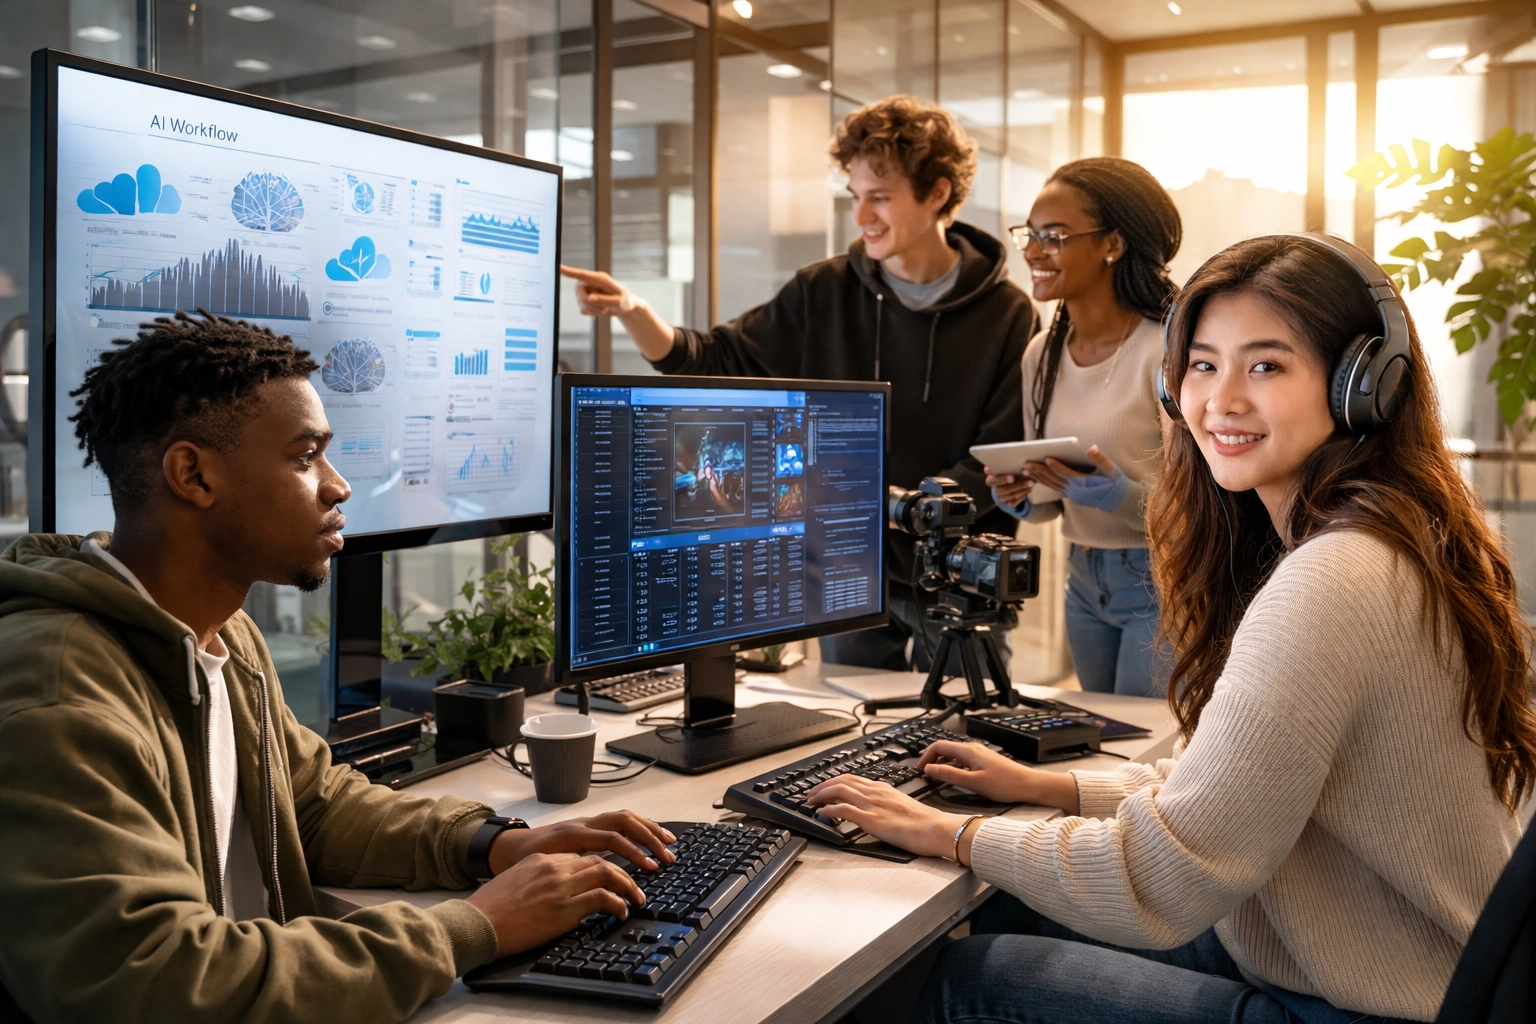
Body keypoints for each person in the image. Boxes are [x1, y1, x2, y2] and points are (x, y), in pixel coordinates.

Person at [800, 236, 1536, 1023]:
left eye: (1267, 365)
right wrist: (1045, 785)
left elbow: (1169, 870)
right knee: (1012, 912)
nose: (1221, 401)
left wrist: (951, 833)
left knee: (961, 979)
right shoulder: (1381, 538)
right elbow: (1218, 794)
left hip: (1364, 1003)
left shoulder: (1334, 577)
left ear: (1363, 384)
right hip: (1343, 950)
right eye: (1203, 365)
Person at [0, 311, 678, 1023]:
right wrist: (474, 927)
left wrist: (495, 845)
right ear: (193, 474)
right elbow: (161, 980)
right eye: (304, 458)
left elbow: (313, 805)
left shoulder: (217, 632)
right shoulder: (57, 695)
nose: (337, 485)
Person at [561, 95, 1036, 674]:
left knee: (967, 740)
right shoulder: (821, 291)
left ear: (937, 193)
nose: (862, 218)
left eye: (880, 198)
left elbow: (997, 456)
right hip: (849, 569)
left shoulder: (1009, 313)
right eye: (856, 197)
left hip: (963, 575)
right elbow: (717, 360)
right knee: (861, 739)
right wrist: (635, 309)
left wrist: (905, 508)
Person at [985, 157, 1181, 697]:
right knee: (1100, 743)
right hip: (1082, 578)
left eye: (1053, 236)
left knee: (1147, 747)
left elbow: (1202, 508)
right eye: (1030, 234)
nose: (1031, 251)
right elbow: (1051, 504)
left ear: (1112, 244)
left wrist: (1117, 495)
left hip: (1160, 579)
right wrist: (1020, 495)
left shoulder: (1166, 350)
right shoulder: (1039, 357)